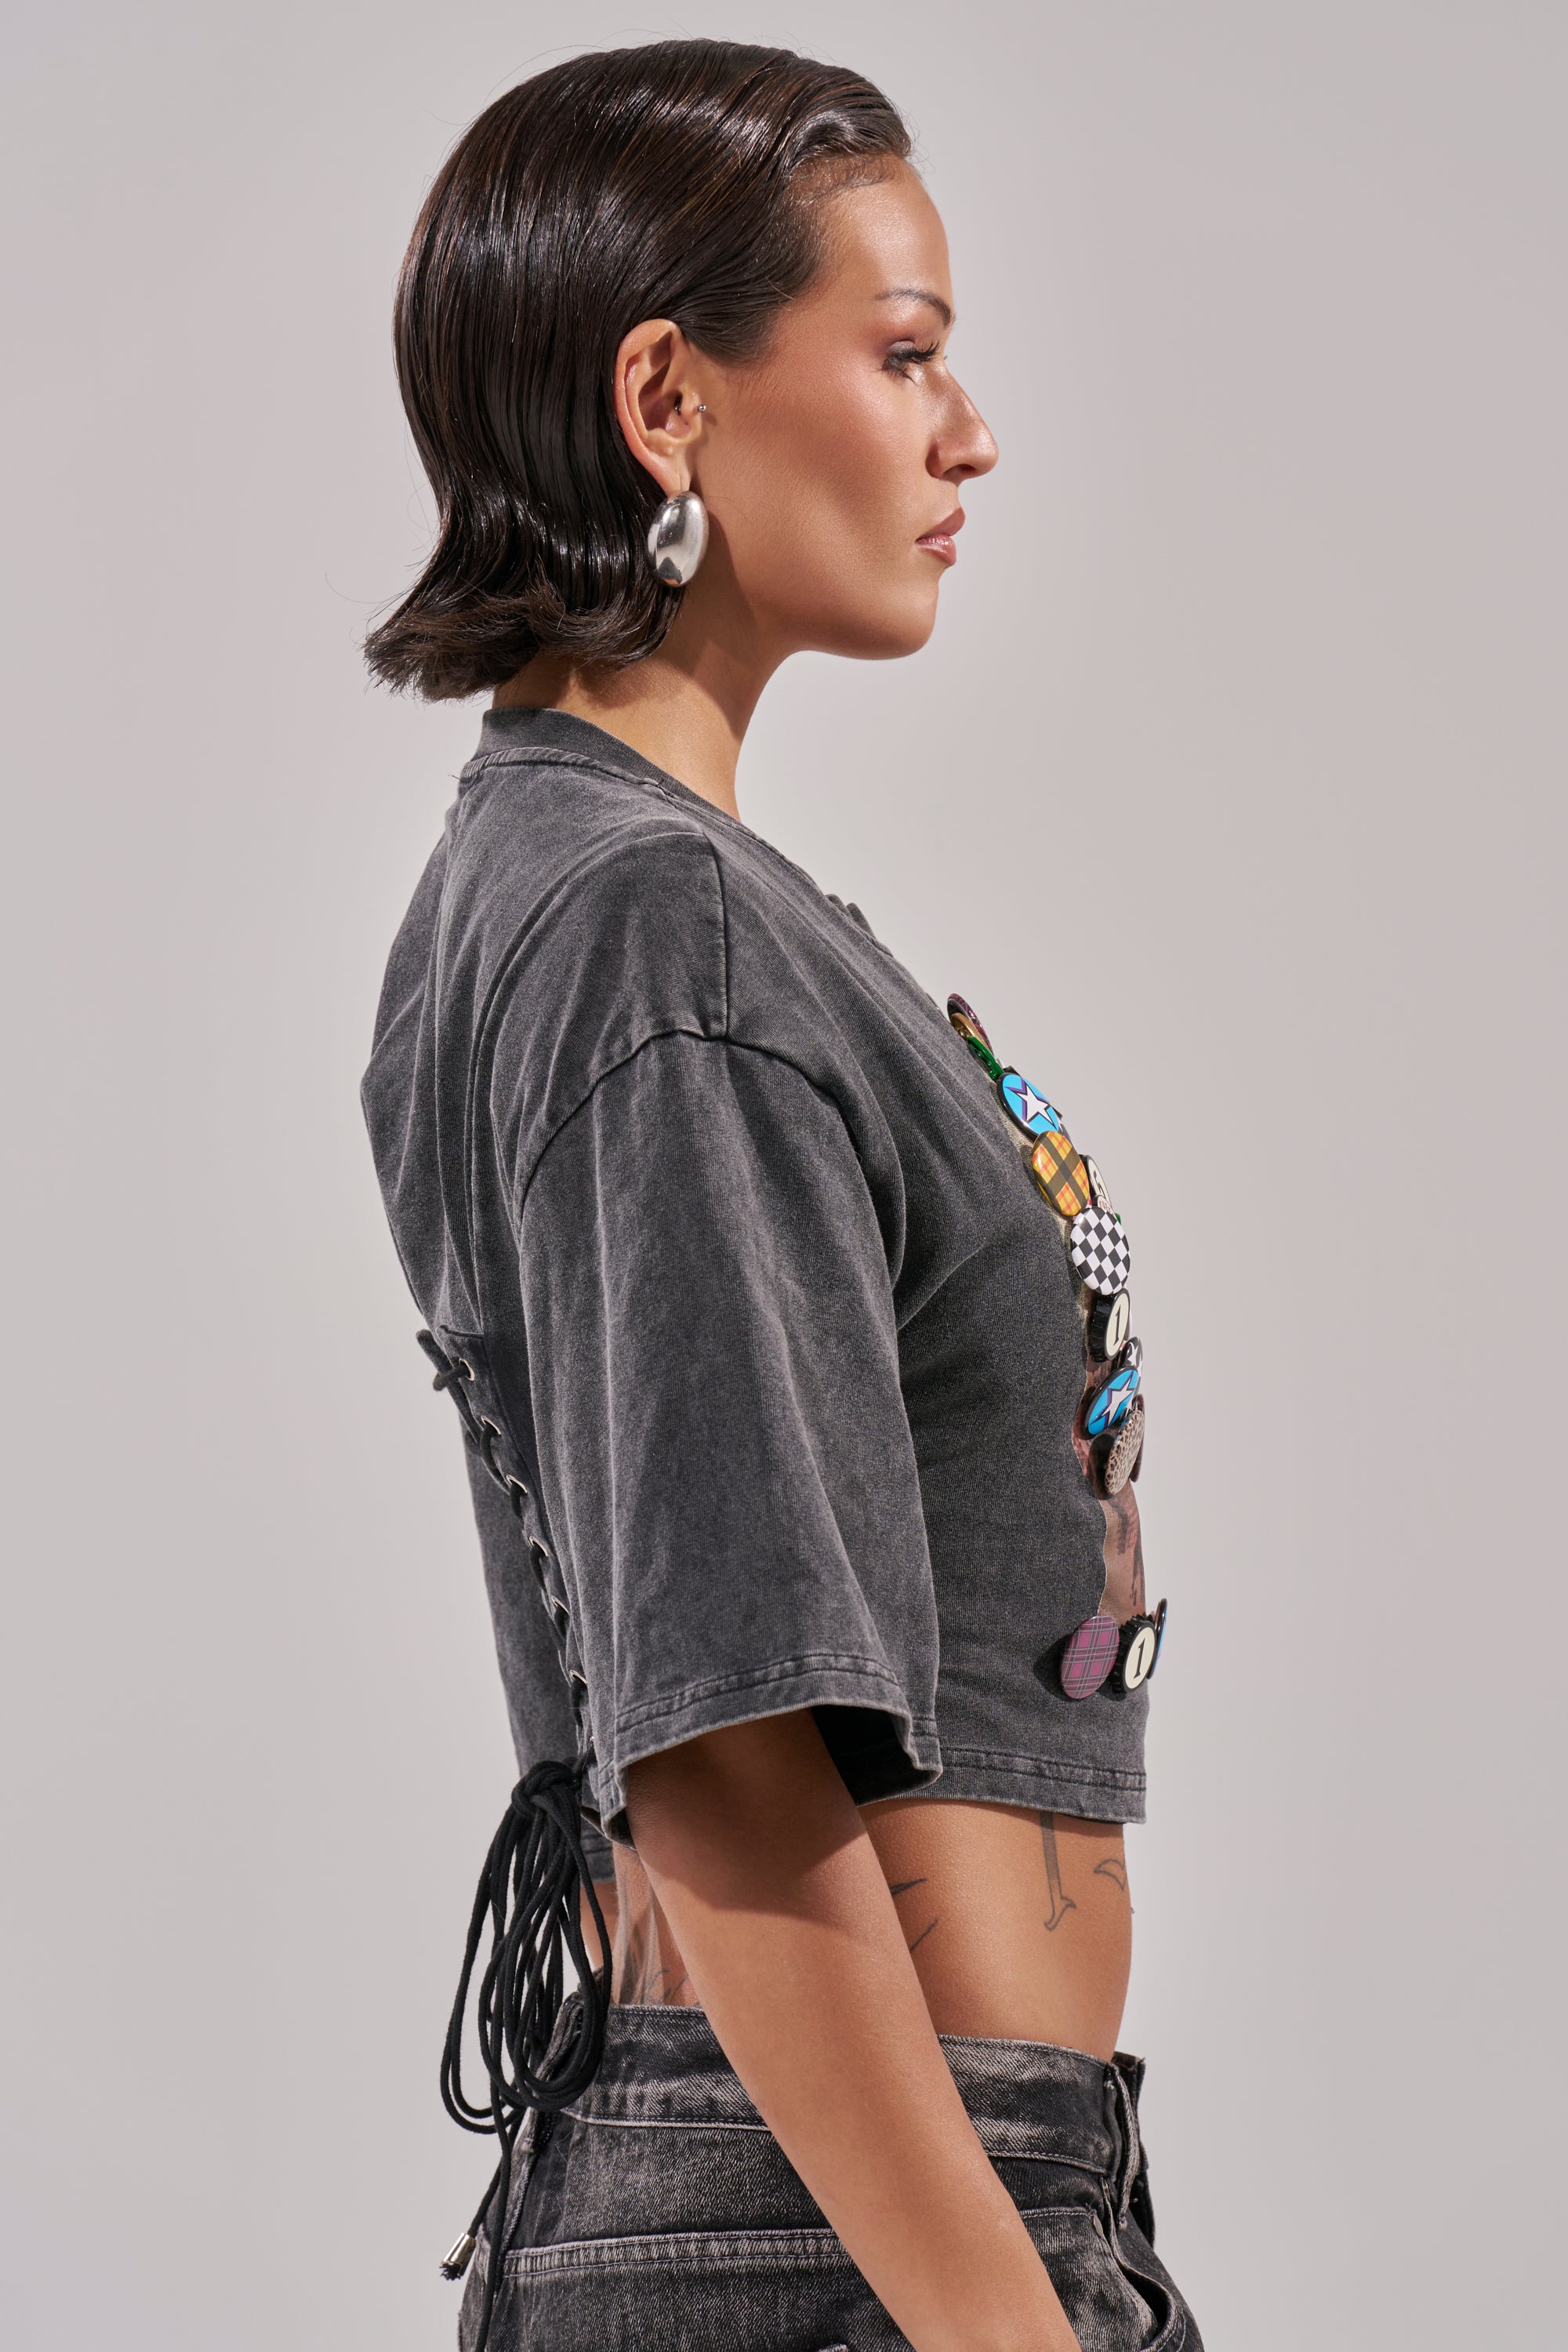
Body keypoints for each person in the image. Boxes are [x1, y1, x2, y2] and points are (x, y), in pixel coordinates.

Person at [361, 37, 1200, 2352]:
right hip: (836, 2237)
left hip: (852, 2210)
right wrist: (1004, 2332)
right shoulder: (654, 928)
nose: (970, 431)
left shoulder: (616, 889)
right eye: (906, 351)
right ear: (668, 401)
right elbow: (729, 1743)